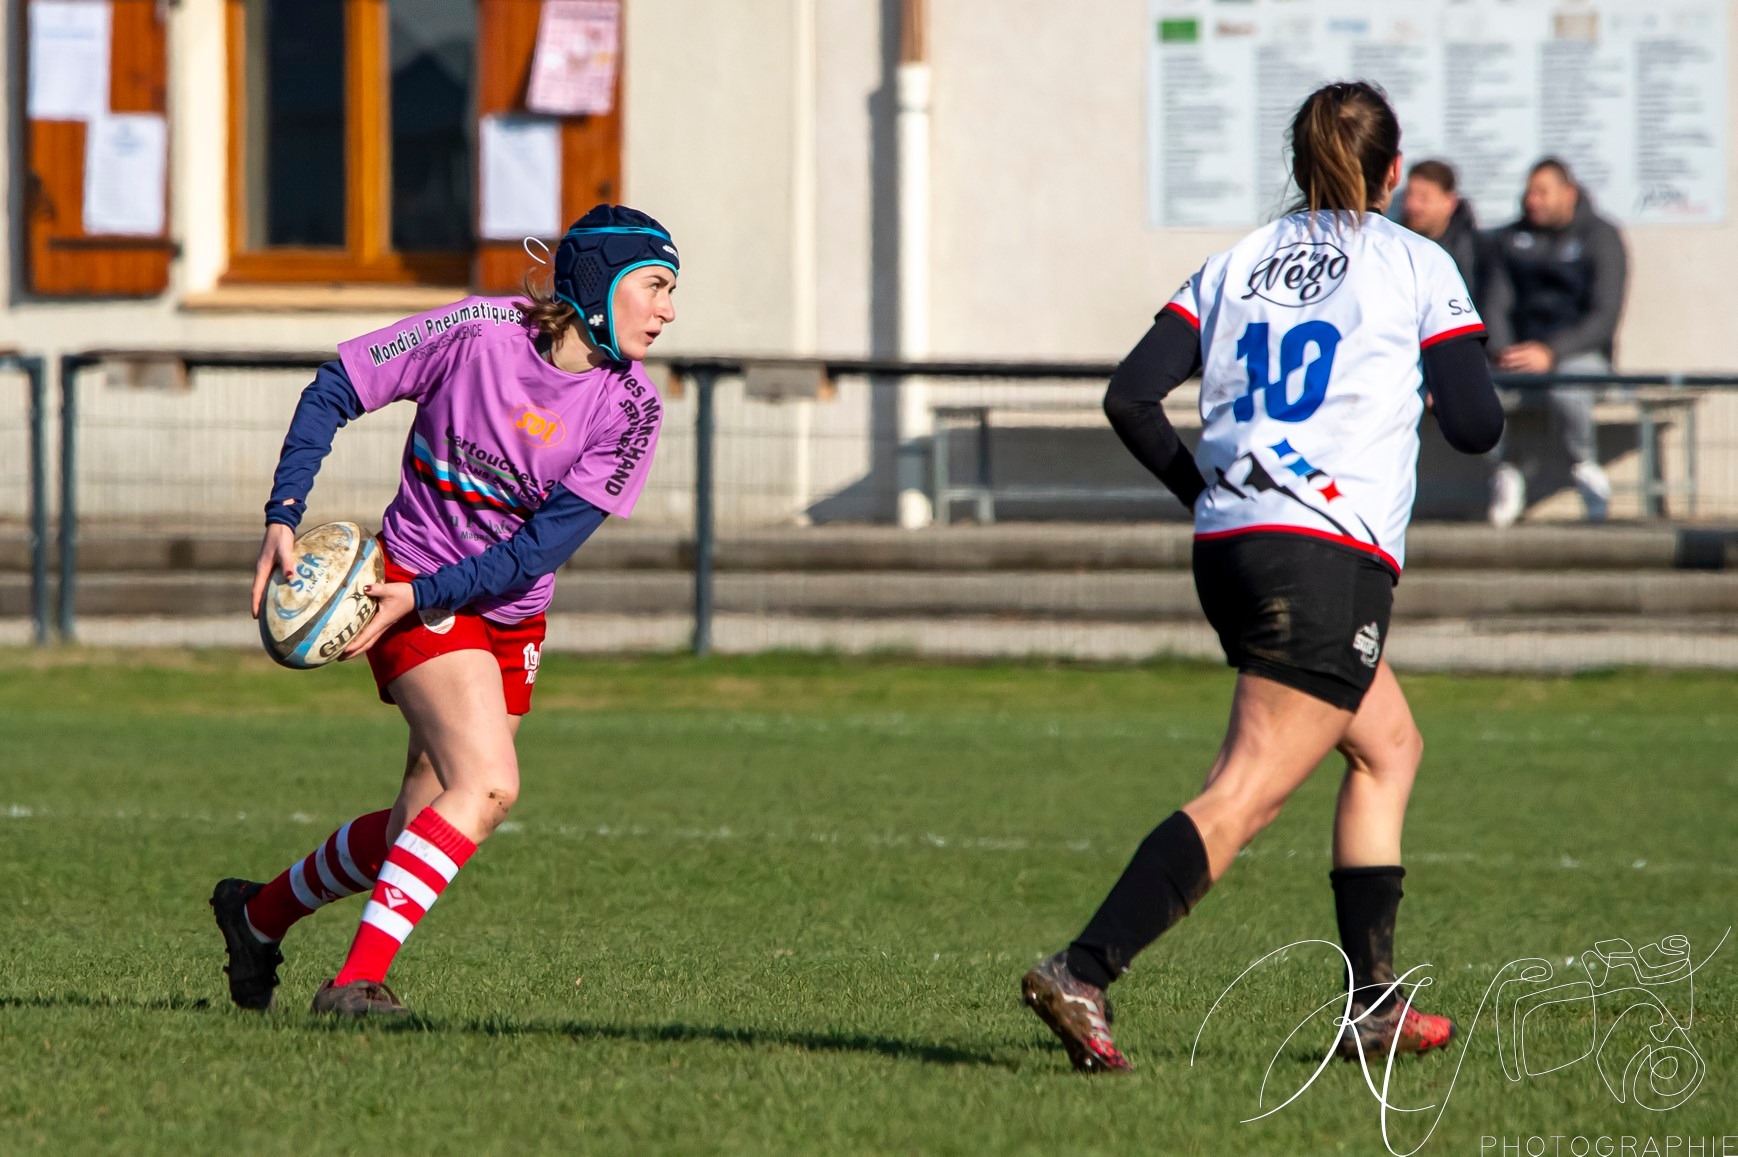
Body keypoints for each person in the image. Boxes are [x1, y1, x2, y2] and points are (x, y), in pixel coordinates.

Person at [1021, 81, 1504, 1073]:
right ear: (1393, 170)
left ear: (1296, 164)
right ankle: (1083, 967)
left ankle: (1372, 1001)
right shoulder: (1415, 260)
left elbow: (1130, 395)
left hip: (1233, 536)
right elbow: (1474, 421)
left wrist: (1208, 489)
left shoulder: (1235, 261)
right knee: (1245, 790)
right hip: (1325, 549)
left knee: (1388, 746)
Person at [210, 205, 678, 1017]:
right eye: (657, 287)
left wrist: (427, 596)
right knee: (489, 784)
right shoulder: (473, 332)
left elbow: (537, 551)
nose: (669, 310)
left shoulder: (632, 409)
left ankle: (258, 915)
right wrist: (285, 510)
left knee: (418, 826)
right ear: (602, 288)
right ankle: (355, 983)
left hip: (505, 609)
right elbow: (336, 388)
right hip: (412, 583)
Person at [1482, 158, 1628, 526]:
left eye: (1542, 192)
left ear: (1569, 193)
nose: (1532, 200)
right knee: (1478, 390)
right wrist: (1502, 352)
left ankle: (1585, 469)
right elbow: (1495, 304)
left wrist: (1552, 352)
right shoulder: (1509, 241)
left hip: (1579, 354)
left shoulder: (1601, 236)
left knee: (1570, 383)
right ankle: (1507, 471)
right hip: (1518, 355)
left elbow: (1603, 316)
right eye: (1529, 191)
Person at [1401, 159, 1482, 302]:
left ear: (1449, 202)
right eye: (1409, 195)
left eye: (1423, 198)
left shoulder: (1475, 252)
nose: (1413, 205)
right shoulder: (1395, 244)